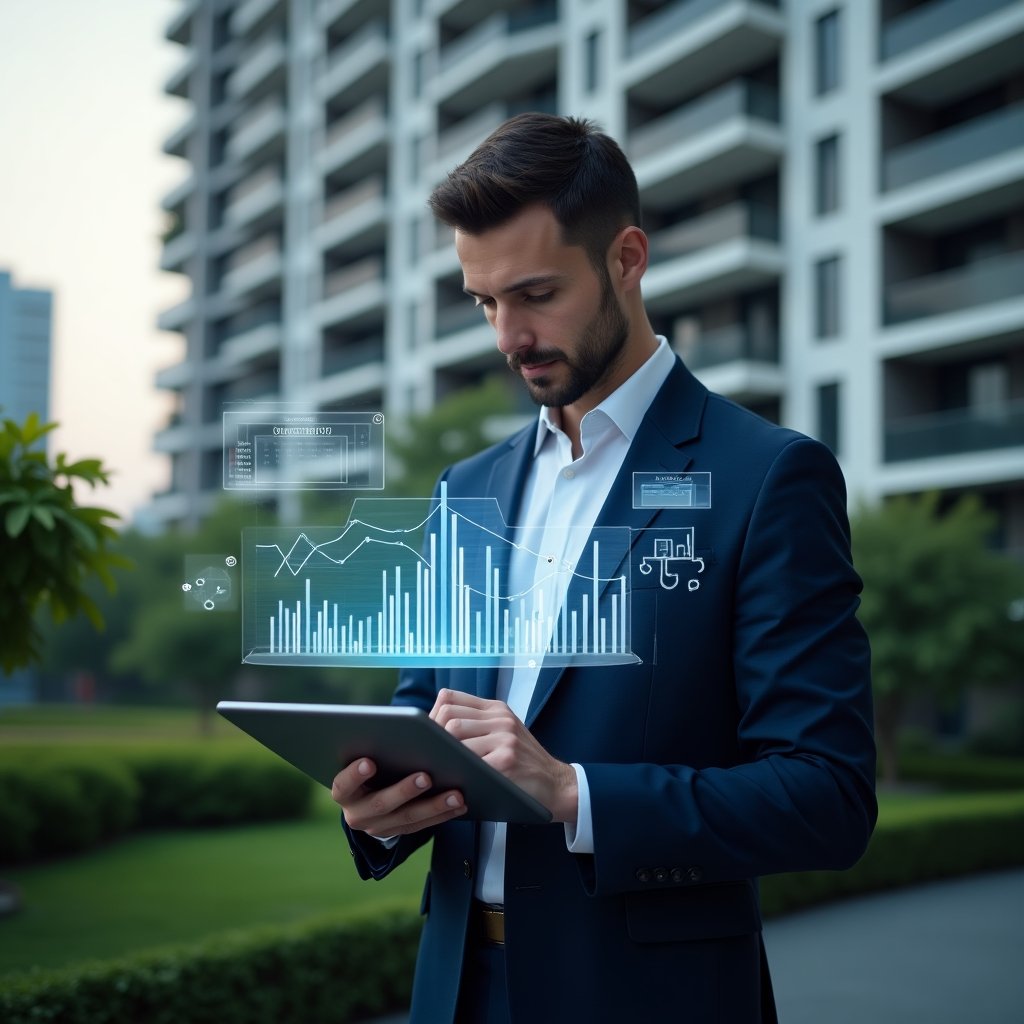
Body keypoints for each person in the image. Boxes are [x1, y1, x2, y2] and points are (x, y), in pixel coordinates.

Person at [331, 113, 876, 1023]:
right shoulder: (464, 489)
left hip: (651, 998)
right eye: (485, 302)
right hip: (456, 992)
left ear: (627, 258)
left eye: (536, 294)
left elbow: (827, 794)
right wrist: (377, 805)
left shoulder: (767, 477)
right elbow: (424, 704)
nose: (509, 336)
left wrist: (571, 791)